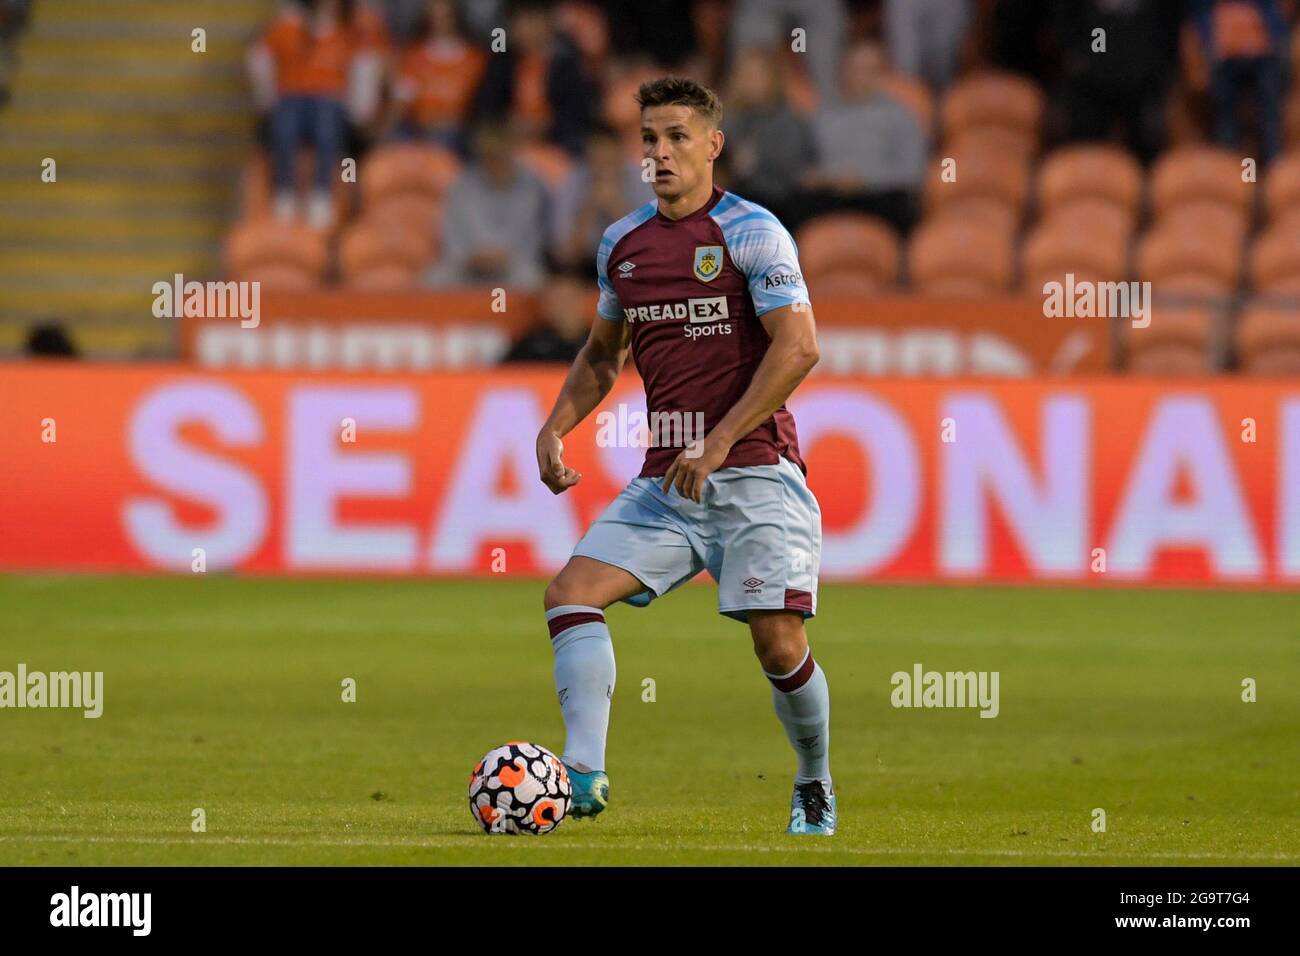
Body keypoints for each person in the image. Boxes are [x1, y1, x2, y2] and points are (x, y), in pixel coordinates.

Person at [533, 77, 834, 835]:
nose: (659, 152)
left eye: (674, 137)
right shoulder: (623, 247)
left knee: (777, 642)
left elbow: (799, 347)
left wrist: (722, 438)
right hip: (667, 482)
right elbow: (603, 357)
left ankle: (813, 779)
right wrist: (555, 425)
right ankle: (583, 772)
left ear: (712, 145)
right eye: (647, 140)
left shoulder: (753, 231)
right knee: (570, 592)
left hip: (756, 469)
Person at [797, 38, 925, 233]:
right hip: (829, 194)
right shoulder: (822, 114)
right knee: (793, 204)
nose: (861, 75)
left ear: (882, 74)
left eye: (870, 69)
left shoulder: (902, 116)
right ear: (843, 69)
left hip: (879, 196)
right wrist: (818, 177)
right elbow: (805, 161)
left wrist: (864, 180)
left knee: (901, 206)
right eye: (856, 67)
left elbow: (912, 173)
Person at [424, 120, 548, 288]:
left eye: (499, 156)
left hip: (512, 268)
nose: (493, 163)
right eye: (488, 156)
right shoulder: (462, 185)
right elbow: (452, 235)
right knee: (433, 280)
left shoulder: (531, 187)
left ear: (511, 151)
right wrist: (471, 257)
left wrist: (504, 257)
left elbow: (532, 239)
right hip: (469, 267)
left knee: (532, 279)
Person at [1192, 0, 1288, 165]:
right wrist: (1209, 42)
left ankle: (1271, 174)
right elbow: (1200, 12)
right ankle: (1231, 174)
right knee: (1227, 123)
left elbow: (1273, 11)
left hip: (1262, 55)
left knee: (1268, 120)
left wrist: (1276, 38)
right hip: (1225, 57)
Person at [383, 0, 486, 152]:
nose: (440, 21)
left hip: (458, 132)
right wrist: (381, 131)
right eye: (435, 16)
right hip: (418, 129)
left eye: (445, 16)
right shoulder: (414, 56)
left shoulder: (476, 59)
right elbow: (401, 100)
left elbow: (483, 106)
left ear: (456, 16)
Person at [502, 273, 591, 363]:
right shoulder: (531, 344)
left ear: (582, 302)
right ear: (545, 307)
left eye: (569, 300)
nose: (562, 307)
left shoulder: (600, 341)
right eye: (556, 301)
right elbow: (507, 372)